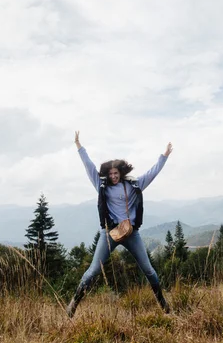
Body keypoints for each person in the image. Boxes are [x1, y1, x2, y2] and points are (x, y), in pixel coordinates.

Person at [66, 131, 173, 318]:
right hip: (109, 233)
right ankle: (74, 303)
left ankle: (162, 303)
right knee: (93, 271)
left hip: (131, 233)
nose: (113, 176)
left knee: (148, 269)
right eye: (111, 173)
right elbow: (89, 166)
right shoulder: (102, 185)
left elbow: (152, 173)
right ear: (107, 174)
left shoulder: (134, 185)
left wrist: (164, 156)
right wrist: (79, 146)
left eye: (116, 173)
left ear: (121, 173)